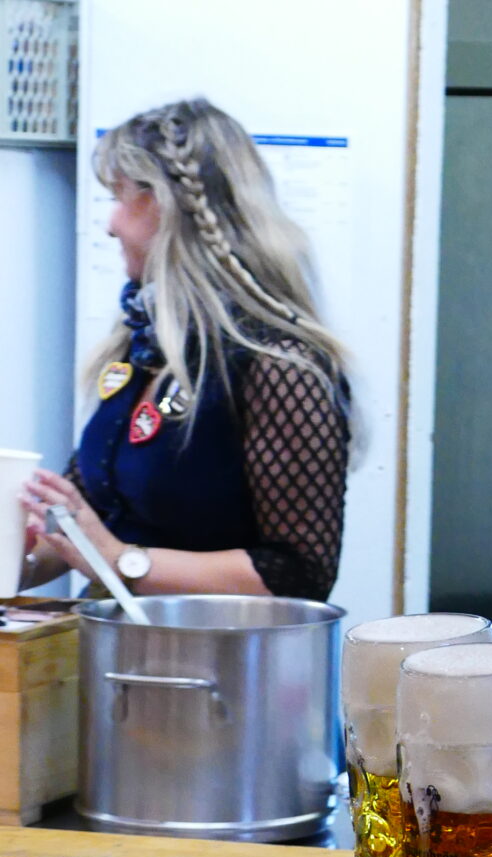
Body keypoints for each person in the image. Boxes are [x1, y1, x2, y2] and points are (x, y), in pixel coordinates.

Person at [19, 98, 352, 603]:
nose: (110, 224)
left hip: (215, 650)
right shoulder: (142, 344)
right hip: (115, 641)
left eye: (119, 197)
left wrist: (121, 559)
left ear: (165, 207)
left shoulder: (281, 364)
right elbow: (80, 524)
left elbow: (298, 575)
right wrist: (19, 554)